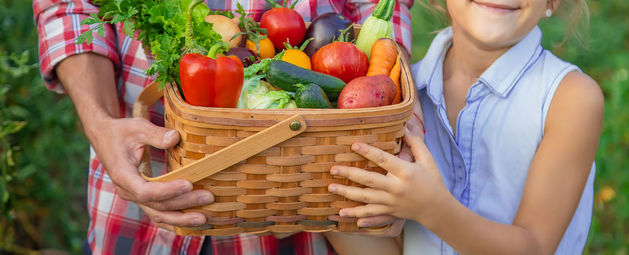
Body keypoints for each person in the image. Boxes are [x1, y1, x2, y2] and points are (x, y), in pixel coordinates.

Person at [32, 0, 413, 254]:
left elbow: (381, 7)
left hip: (310, 210)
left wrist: (401, 124)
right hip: (142, 203)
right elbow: (70, 6)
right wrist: (101, 125)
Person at [325, 0, 603, 254]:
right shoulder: (399, 103)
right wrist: (328, 210)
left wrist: (431, 208)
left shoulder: (569, 98)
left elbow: (536, 247)